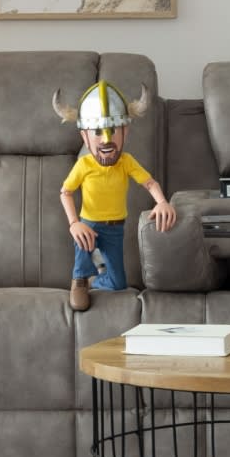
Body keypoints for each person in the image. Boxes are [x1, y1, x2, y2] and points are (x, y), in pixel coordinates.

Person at [52, 80, 176, 311]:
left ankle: (95, 280)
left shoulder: (126, 162)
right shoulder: (84, 165)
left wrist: (162, 202)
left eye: (113, 130)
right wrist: (74, 223)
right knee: (82, 245)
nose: (107, 140)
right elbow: (65, 192)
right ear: (85, 137)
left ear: (125, 132)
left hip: (115, 228)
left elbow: (149, 182)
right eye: (98, 132)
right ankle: (80, 280)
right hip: (88, 224)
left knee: (118, 283)